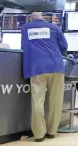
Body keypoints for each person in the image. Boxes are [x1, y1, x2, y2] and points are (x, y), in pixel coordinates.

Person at [21, 12, 68, 142]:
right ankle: (52, 131)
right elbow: (64, 46)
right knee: (56, 101)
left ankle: (39, 134)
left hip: (37, 68)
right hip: (56, 66)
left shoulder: (26, 28)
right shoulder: (53, 27)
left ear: (30, 19)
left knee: (37, 102)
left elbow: (24, 47)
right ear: (43, 18)